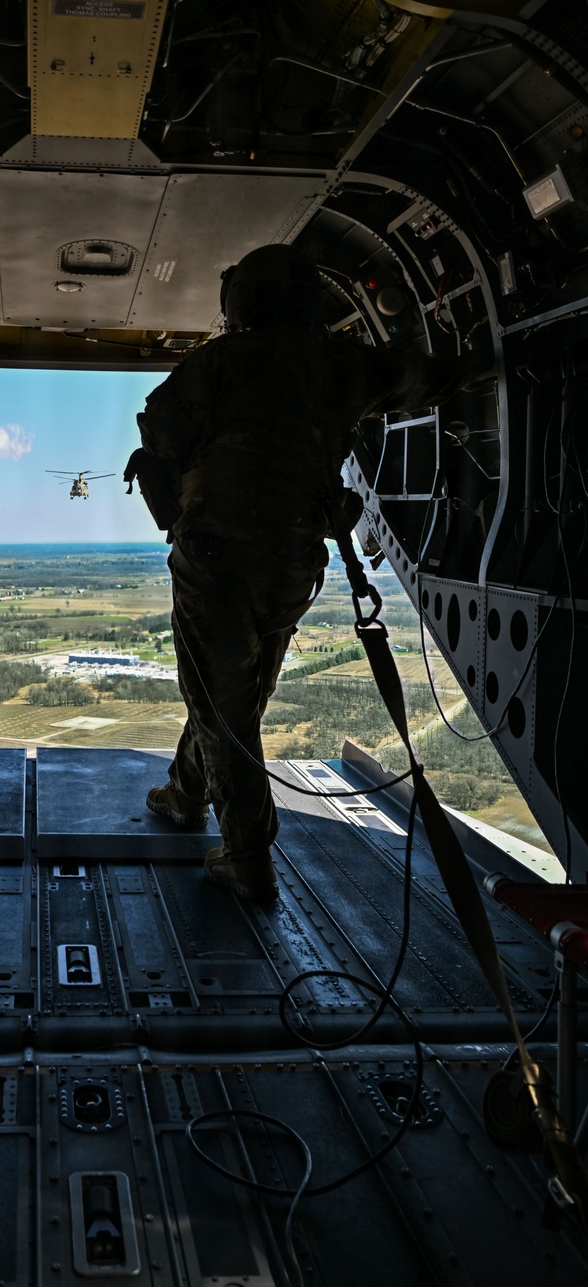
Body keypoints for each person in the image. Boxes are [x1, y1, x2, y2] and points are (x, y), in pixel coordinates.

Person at [131, 244, 463, 903]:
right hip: (293, 565)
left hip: (215, 559)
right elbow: (419, 380)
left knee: (222, 701)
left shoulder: (215, 366)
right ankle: (185, 792)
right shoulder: (341, 367)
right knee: (234, 695)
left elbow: (158, 435)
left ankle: (250, 857)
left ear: (240, 303)